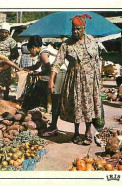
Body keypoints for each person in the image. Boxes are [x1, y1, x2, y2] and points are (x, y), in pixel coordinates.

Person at [49, 14, 102, 145]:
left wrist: (98, 79)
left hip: (90, 80)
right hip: (74, 80)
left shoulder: (91, 40)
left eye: (78, 29)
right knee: (76, 106)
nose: (75, 32)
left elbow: (96, 60)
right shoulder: (66, 44)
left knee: (89, 105)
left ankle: (88, 132)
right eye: (73, 29)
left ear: (84, 28)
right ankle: (76, 133)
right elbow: (57, 63)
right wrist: (51, 80)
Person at [22, 35, 54, 111]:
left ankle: (47, 108)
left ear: (33, 47)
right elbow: (37, 66)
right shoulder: (42, 52)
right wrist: (27, 68)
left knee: (41, 87)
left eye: (30, 51)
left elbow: (48, 70)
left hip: (58, 73)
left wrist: (36, 74)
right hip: (53, 74)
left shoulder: (43, 53)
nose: (30, 53)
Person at [0, 23, 19, 100]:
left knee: (5, 82)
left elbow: (15, 54)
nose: (4, 34)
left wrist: (9, 62)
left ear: (8, 32)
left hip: (6, 64)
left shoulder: (12, 41)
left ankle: (5, 98)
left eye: (6, 32)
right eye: (2, 32)